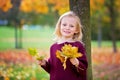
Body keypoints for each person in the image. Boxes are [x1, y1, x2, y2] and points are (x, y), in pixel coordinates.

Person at [38, 11, 88, 80]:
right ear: (59, 26)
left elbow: (84, 69)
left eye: (71, 26)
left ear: (76, 30)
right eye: (64, 25)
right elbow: (52, 69)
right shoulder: (53, 47)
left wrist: (77, 63)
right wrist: (44, 64)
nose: (67, 28)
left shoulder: (78, 46)